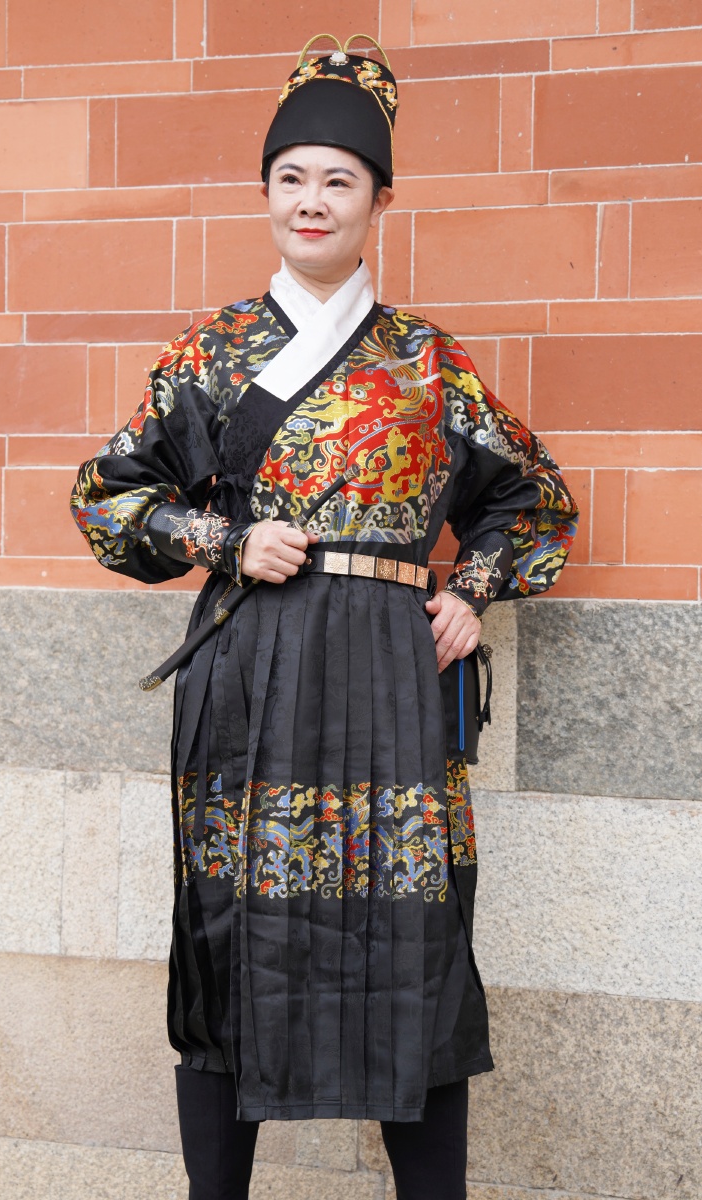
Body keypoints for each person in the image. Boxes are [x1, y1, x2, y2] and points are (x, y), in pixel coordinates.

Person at [70, 33, 579, 1200]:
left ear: (379, 200)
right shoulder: (210, 354)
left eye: (338, 180)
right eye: (291, 177)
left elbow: (536, 501)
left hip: (393, 685)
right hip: (249, 680)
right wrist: (222, 541)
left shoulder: (428, 363)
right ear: (267, 192)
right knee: (230, 934)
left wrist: (472, 589)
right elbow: (106, 498)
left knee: (414, 944)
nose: (312, 200)